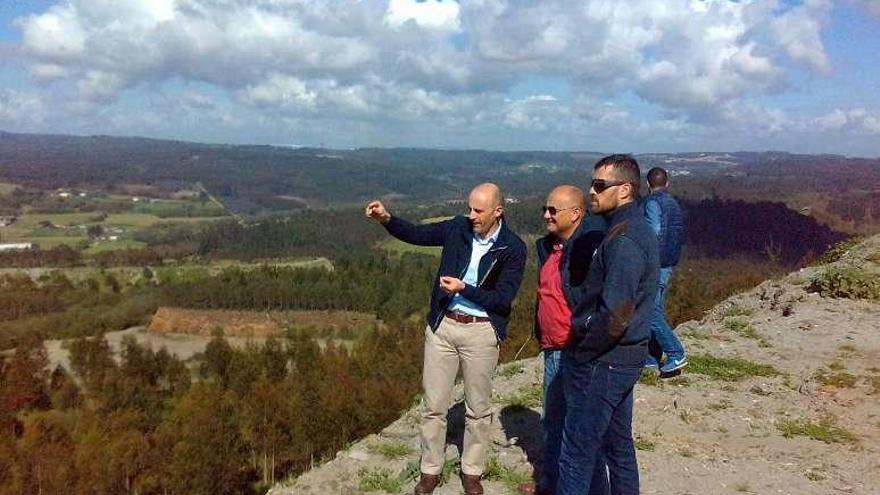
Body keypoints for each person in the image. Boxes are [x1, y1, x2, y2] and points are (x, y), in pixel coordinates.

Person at [365, 183, 527, 495]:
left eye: (478, 211)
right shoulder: (458, 228)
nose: (472, 215)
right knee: (433, 404)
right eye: (470, 208)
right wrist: (386, 218)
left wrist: (464, 290)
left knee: (478, 408)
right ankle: (430, 469)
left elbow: (503, 300)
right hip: (444, 327)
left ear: (498, 211)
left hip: (481, 331)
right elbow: (416, 234)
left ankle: (472, 470)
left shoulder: (513, 248)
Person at [557, 155, 659, 495]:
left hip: (606, 360)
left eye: (600, 186)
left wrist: (583, 351)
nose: (591, 192)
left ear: (625, 190)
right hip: (621, 356)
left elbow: (615, 314)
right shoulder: (626, 230)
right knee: (617, 445)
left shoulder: (625, 239)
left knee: (577, 452)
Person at [519, 185, 607, 495]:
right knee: (553, 422)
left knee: (579, 428)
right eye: (545, 208)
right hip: (553, 348)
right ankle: (552, 483)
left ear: (576, 214)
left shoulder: (590, 251)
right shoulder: (548, 247)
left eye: (553, 210)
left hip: (578, 350)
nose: (546, 215)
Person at [644, 167, 687, 374]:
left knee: (649, 310)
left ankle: (676, 353)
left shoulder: (651, 203)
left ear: (647, 184)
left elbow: (655, 231)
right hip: (670, 262)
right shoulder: (674, 204)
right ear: (667, 183)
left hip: (656, 263)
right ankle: (651, 359)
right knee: (656, 308)